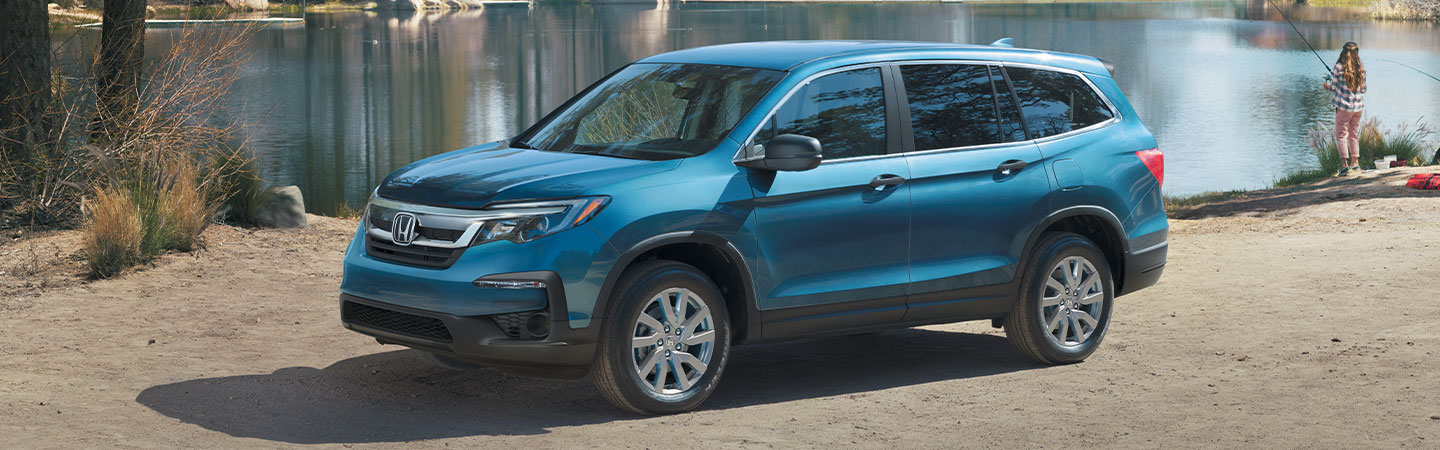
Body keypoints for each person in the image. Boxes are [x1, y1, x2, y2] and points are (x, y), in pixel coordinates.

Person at [1323, 42, 1367, 176]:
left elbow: (1333, 88)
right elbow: (1364, 89)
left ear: (1343, 53)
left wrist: (1326, 85)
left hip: (1343, 107)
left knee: (1341, 135)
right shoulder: (1361, 68)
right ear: (1356, 53)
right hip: (1358, 108)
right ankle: (1355, 163)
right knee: (1353, 134)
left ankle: (1344, 166)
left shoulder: (1338, 67)